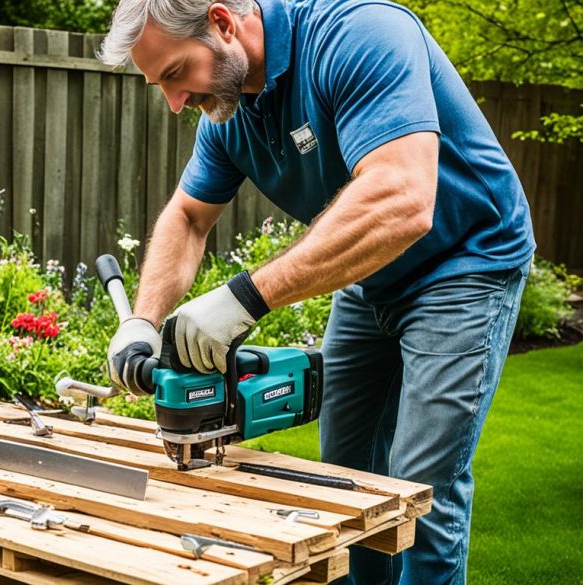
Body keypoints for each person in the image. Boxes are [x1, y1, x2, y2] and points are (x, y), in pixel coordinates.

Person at [99, 0, 535, 583]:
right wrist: (143, 322)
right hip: (370, 277)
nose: (175, 103)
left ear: (223, 23)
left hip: (465, 263)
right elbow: (187, 218)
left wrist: (244, 297)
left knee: (422, 488)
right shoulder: (228, 116)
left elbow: (402, 199)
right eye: (161, 85)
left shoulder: (360, 36)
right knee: (345, 484)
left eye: (176, 73)